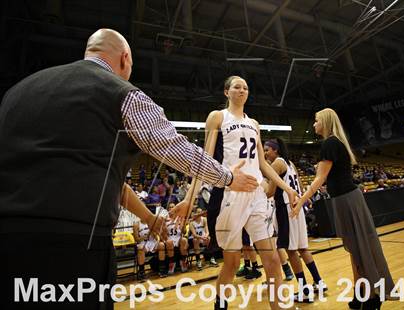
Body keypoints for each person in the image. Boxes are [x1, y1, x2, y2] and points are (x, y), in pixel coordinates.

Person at [0, 29, 258, 309]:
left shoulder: (16, 92)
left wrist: (149, 218)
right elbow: (175, 148)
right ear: (124, 59)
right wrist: (228, 178)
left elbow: (110, 181)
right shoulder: (122, 94)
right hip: (75, 243)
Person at [173, 76, 298, 310]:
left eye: (246, 87)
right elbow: (205, 160)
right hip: (230, 194)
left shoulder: (254, 124)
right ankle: (220, 304)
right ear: (226, 92)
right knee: (231, 263)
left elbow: (262, 162)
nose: (242, 90)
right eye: (237, 87)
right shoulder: (218, 117)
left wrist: (287, 188)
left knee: (271, 260)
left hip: (256, 197)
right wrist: (190, 197)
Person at [292, 108, 395, 310]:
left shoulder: (330, 143)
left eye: (316, 121)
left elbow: (319, 179)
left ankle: (373, 296)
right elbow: (326, 176)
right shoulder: (334, 142)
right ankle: (360, 294)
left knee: (360, 250)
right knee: (356, 251)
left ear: (326, 122)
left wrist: (301, 201)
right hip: (345, 199)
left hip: (347, 201)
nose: (314, 124)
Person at [264, 138, 325, 303]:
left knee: (291, 251)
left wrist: (258, 183)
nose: (265, 152)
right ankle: (319, 281)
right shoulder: (290, 164)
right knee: (302, 248)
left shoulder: (277, 163)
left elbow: (269, 192)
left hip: (285, 208)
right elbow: (298, 186)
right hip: (296, 207)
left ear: (275, 150)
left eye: (267, 149)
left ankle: (305, 290)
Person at [165, 203, 189, 274]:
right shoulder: (165, 220)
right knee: (169, 242)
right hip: (170, 238)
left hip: (178, 238)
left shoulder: (180, 218)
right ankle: (172, 264)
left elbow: (184, 232)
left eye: (173, 207)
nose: (171, 208)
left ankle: (183, 262)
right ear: (168, 209)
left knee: (184, 240)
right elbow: (164, 233)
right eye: (170, 207)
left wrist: (182, 227)